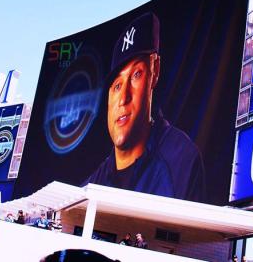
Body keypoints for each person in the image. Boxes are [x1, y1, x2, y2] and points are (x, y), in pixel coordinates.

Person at [83, 12, 205, 202]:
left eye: (136, 75)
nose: (123, 98)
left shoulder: (181, 160)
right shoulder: (91, 185)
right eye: (116, 86)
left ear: (154, 71)